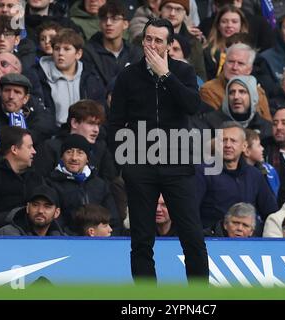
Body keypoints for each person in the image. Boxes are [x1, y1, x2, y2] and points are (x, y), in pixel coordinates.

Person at [109, 18, 209, 282]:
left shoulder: (183, 73)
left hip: (177, 164)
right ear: (142, 40)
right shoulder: (128, 76)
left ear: (169, 44)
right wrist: (125, 164)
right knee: (141, 240)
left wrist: (166, 75)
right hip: (139, 165)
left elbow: (192, 106)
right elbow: (115, 122)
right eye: (148, 39)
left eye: (159, 40)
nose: (152, 45)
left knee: (192, 238)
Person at [196, 122, 278, 230]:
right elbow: (189, 212)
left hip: (248, 242)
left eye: (233, 141)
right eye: (223, 140)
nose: (228, 145)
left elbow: (271, 213)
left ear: (244, 146)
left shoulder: (255, 175)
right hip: (211, 241)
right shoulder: (202, 172)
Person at [47, 134, 120, 234]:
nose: (74, 158)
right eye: (69, 152)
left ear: (87, 158)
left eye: (80, 153)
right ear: (62, 157)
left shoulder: (100, 185)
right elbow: (56, 221)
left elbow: (114, 220)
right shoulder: (51, 184)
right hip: (68, 242)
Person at [37, 28, 106, 127]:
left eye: (66, 49)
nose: (60, 53)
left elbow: (100, 113)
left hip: (85, 134)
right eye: (57, 48)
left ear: (78, 54)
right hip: (53, 136)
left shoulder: (91, 78)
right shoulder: (39, 76)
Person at [0, 126, 44, 230]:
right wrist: (20, 215)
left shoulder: (35, 175)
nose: (34, 151)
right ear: (14, 149)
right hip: (1, 235)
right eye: (30, 147)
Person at [199, 43, 271, 121]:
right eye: (230, 62)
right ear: (224, 64)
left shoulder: (259, 92)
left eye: (240, 63)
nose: (234, 67)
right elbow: (215, 123)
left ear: (249, 70)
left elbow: (268, 124)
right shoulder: (209, 90)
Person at [82, 0, 143, 86]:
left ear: (125, 24)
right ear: (100, 24)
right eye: (104, 18)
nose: (108, 23)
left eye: (114, 19)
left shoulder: (135, 53)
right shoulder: (88, 52)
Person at [194, 75, 272, 139]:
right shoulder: (210, 123)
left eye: (242, 92)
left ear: (253, 97)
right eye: (231, 92)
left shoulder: (265, 127)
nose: (236, 97)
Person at [0, 73, 57, 142]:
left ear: (25, 98)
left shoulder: (36, 109)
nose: (11, 96)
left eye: (17, 92)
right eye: (7, 90)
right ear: (0, 93)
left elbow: (46, 129)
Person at [159, 0, 207, 80]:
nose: (172, 13)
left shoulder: (194, 42)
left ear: (185, 13)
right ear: (160, 9)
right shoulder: (147, 37)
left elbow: (201, 75)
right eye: (168, 7)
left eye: (178, 9)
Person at [0, 184, 66, 236]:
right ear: (27, 208)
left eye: (47, 206)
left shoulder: (64, 240)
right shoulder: (6, 235)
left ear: (57, 213)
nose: (40, 211)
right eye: (35, 205)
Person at [203, 4, 248, 80]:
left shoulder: (250, 51)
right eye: (224, 21)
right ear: (218, 25)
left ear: (241, 25)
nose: (229, 25)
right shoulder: (207, 51)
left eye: (234, 22)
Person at [243, 128, 280, 196]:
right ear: (247, 151)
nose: (262, 148)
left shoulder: (268, 169)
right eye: (259, 145)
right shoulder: (238, 174)